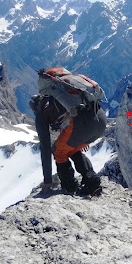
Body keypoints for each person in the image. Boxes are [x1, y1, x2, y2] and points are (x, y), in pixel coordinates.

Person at [29, 67, 107, 196]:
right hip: (100, 119)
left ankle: (69, 185)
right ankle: (92, 182)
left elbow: (45, 146)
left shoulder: (41, 111)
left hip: (83, 124)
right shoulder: (60, 94)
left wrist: (47, 180)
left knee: (58, 151)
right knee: (71, 148)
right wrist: (83, 138)